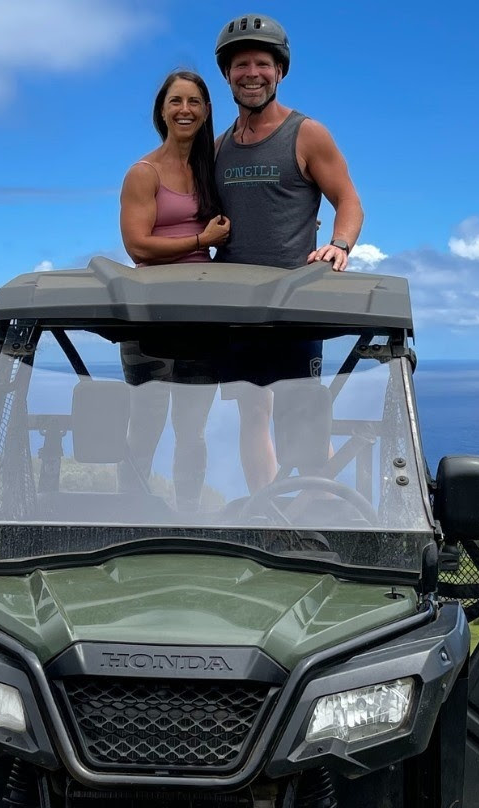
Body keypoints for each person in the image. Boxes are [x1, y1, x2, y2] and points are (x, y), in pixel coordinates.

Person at [212, 14, 365, 491]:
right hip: (236, 307)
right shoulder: (218, 148)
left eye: (262, 63)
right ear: (227, 74)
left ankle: (320, 510)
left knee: (304, 419)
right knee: (252, 413)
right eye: (241, 65)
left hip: (294, 302)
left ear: (279, 71)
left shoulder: (306, 133)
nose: (251, 74)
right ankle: (267, 511)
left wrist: (339, 244)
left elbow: (348, 200)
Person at [118, 71, 230, 511]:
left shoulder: (208, 170)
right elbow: (138, 245)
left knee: (192, 432)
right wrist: (201, 241)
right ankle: (131, 513)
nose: (185, 110)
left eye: (194, 102)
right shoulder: (143, 173)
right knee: (144, 426)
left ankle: (188, 515)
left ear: (206, 111)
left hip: (202, 314)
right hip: (150, 315)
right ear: (162, 111)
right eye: (176, 101)